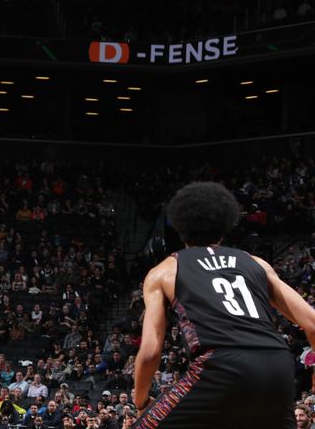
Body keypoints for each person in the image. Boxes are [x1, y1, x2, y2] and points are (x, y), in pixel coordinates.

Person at [133, 182, 315, 428]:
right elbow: (312, 323)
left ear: (180, 228)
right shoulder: (257, 263)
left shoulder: (164, 271)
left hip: (221, 366)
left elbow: (151, 352)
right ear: (225, 226)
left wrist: (140, 398)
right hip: (278, 366)